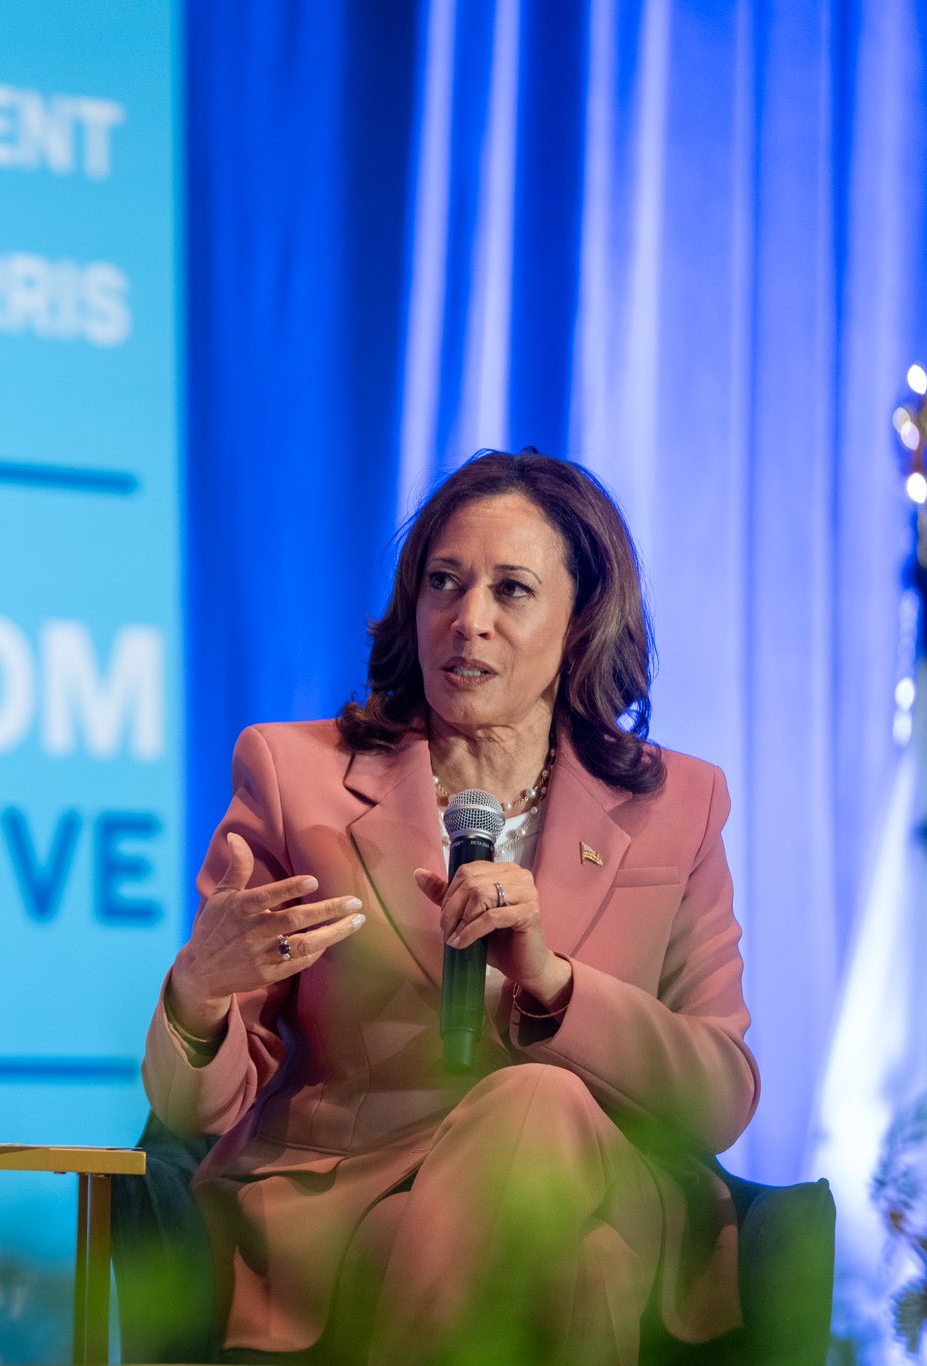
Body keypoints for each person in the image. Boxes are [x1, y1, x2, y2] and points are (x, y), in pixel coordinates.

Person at [143, 450, 757, 1364]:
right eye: (444, 582)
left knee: (541, 1110)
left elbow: (718, 1098)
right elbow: (202, 1108)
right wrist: (196, 1001)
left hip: (600, 1178)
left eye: (512, 591)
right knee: (581, 1268)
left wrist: (551, 983)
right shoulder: (294, 777)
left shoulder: (678, 806)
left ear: (579, 621)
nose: (468, 621)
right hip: (352, 1204)